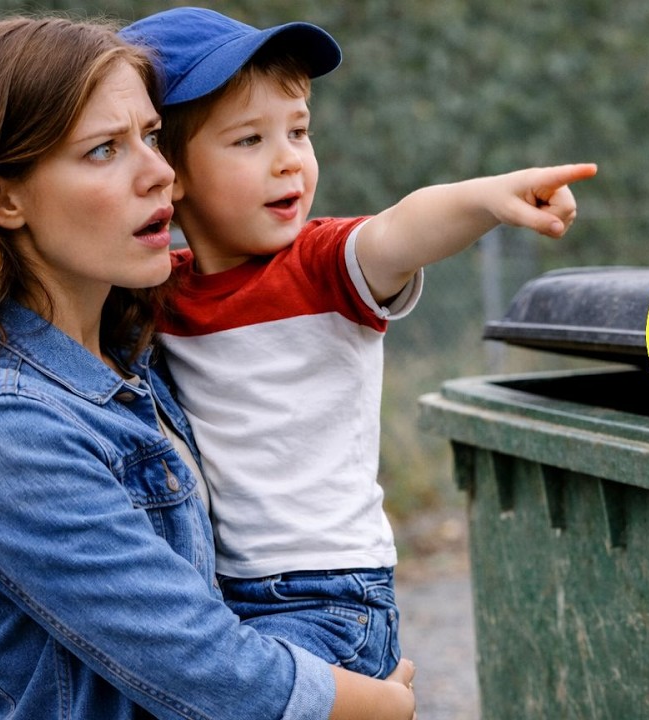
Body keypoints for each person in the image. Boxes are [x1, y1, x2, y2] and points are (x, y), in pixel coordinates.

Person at [0, 16, 416, 719]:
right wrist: (379, 706)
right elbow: (204, 668)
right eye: (105, 150)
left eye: (154, 136)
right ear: (0, 197)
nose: (162, 174)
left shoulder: (137, 354)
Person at [118, 6, 597, 680]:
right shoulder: (156, 287)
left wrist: (487, 198)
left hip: (329, 594)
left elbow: (402, 230)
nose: (289, 161)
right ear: (171, 170)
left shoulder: (320, 266)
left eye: (299, 131)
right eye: (249, 141)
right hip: (216, 593)